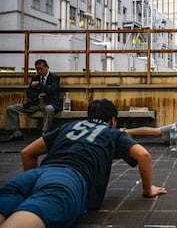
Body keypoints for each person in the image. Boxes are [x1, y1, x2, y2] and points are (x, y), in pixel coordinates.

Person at [0, 98, 167, 228]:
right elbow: (143, 155)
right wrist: (148, 190)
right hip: (67, 180)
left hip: (33, 176)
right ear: (113, 120)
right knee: (32, 213)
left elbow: (27, 152)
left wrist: (34, 184)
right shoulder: (112, 132)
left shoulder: (69, 126)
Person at [1, 59, 61, 143]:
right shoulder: (35, 77)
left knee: (49, 109)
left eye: (41, 68)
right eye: (37, 69)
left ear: (47, 67)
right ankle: (16, 133)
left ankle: (45, 133)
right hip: (35, 103)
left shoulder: (54, 78)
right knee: (11, 108)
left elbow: (52, 91)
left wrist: (38, 84)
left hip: (48, 103)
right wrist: (38, 94)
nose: (39, 71)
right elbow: (29, 93)